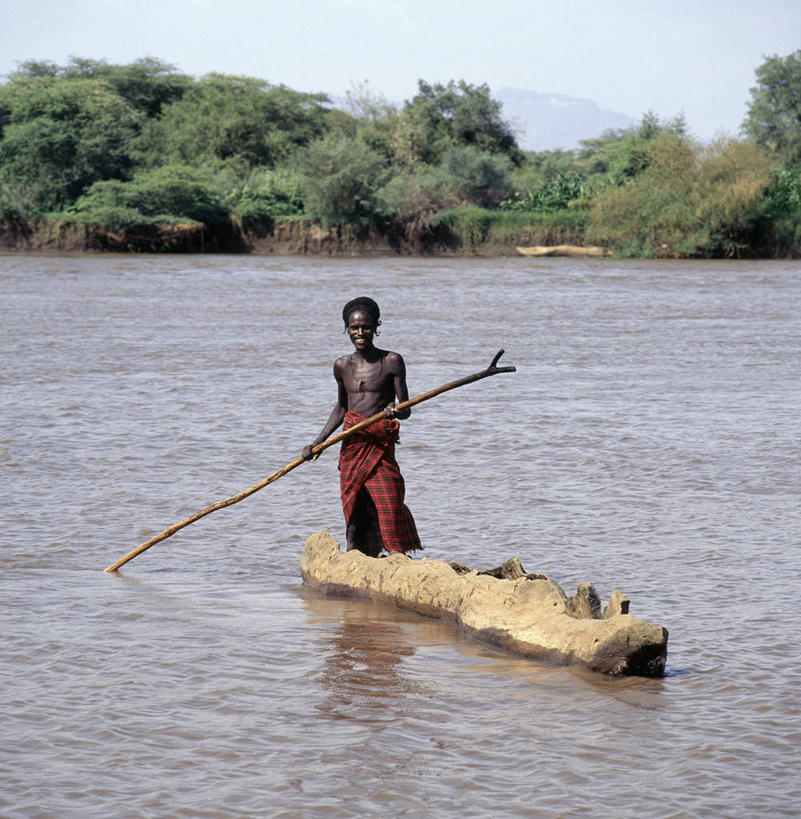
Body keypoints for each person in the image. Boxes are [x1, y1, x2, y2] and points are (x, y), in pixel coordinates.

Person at [302, 297, 422, 557]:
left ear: (376, 327)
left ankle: (397, 559)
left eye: (365, 327)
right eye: (354, 328)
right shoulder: (341, 366)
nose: (360, 333)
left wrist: (394, 411)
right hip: (352, 446)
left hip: (379, 446)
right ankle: (356, 559)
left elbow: (407, 408)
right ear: (346, 329)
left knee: (389, 505)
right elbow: (342, 409)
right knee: (354, 510)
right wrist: (317, 443)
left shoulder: (392, 361)